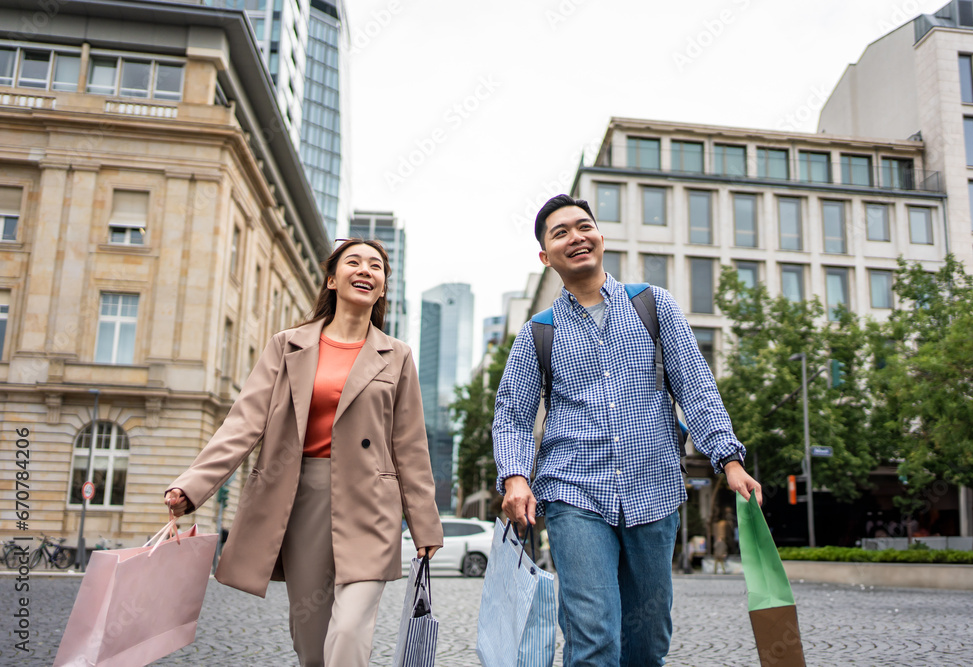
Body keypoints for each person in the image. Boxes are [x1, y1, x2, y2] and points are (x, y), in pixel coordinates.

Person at [493, 195, 762, 666]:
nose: (576, 237)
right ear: (545, 256)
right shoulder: (539, 329)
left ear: (600, 236)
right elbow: (512, 413)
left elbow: (695, 385)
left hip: (653, 489)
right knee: (593, 634)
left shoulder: (652, 306)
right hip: (573, 494)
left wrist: (729, 459)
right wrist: (515, 476)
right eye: (560, 233)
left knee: (648, 639)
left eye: (584, 227)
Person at [164, 239, 443, 667]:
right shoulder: (287, 346)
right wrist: (192, 485)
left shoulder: (397, 356)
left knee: (350, 630)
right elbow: (243, 422)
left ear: (384, 287)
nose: (366, 270)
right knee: (311, 643)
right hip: (301, 499)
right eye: (354, 262)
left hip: (371, 505)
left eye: (376, 266)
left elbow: (409, 446)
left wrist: (425, 526)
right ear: (333, 279)